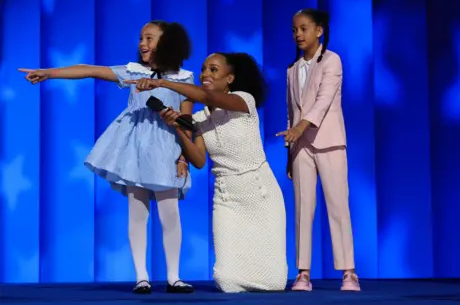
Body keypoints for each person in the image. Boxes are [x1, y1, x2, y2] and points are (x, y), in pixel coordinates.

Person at [18, 20, 195, 294]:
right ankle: (142, 277)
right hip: (134, 149)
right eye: (140, 38)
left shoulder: (184, 78)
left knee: (170, 213)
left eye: (149, 37)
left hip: (167, 149)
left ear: (167, 42)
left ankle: (174, 277)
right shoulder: (132, 72)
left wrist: (183, 157)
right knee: (138, 213)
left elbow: (186, 120)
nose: (142, 43)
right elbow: (90, 70)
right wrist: (49, 73)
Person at [124, 52, 288, 293]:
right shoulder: (199, 119)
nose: (205, 75)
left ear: (230, 78)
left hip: (260, 193)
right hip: (227, 199)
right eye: (203, 70)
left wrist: (162, 82)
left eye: (213, 70)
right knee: (227, 281)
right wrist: (178, 128)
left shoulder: (244, 101)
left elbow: (207, 95)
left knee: (273, 284)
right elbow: (199, 160)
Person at [275, 8, 360, 292]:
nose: (298, 34)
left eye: (303, 29)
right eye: (294, 30)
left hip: (329, 141)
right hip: (301, 147)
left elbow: (323, 101)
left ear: (319, 30)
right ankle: (303, 273)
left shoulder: (332, 60)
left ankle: (348, 272)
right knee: (302, 209)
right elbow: (291, 112)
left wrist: (300, 128)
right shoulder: (291, 69)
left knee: (338, 205)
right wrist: (290, 150)